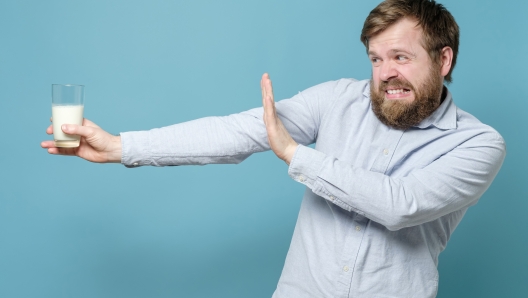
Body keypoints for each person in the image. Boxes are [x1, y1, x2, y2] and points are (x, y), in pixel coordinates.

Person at [41, 0, 506, 297]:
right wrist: (123, 146)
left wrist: (297, 155)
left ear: (444, 59)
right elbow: (237, 132)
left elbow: (401, 205)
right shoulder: (338, 99)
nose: (384, 73)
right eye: (376, 58)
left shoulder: (478, 144)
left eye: (401, 57)